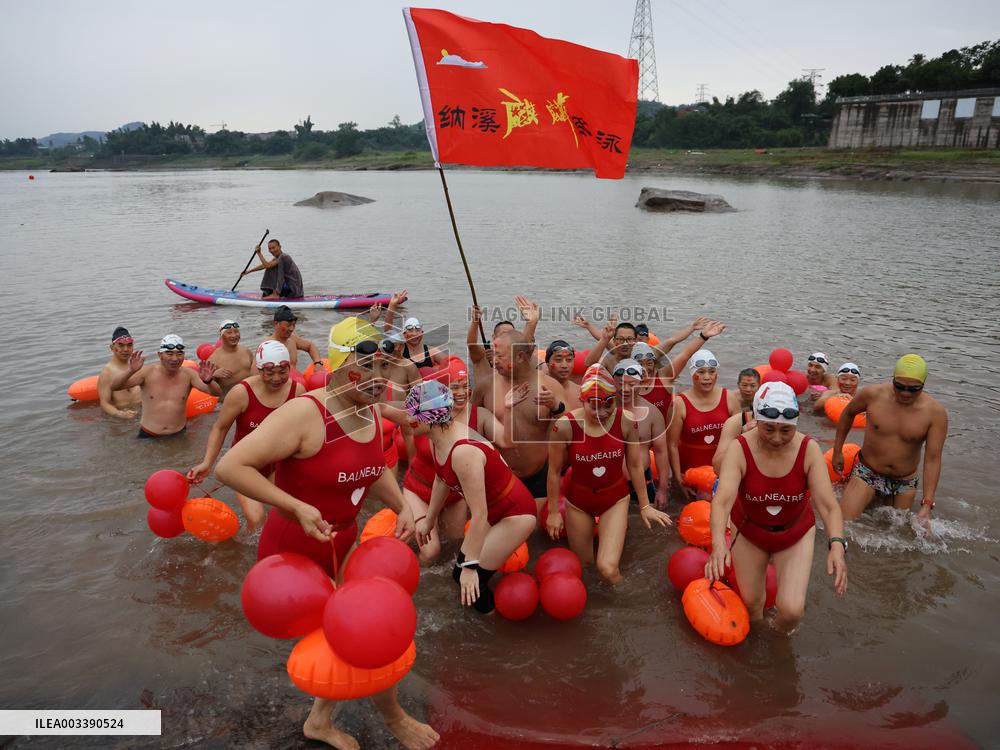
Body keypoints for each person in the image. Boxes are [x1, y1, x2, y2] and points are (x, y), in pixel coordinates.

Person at [216, 318, 436, 750]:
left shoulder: (367, 407)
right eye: (366, 365)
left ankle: (318, 720)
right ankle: (392, 717)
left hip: (341, 540)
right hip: (294, 552)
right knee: (354, 636)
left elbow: (369, 470)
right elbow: (231, 467)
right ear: (340, 366)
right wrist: (294, 505)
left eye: (382, 365)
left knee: (355, 630)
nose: (377, 377)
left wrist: (402, 504)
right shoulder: (304, 413)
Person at [707, 382, 848, 633]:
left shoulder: (809, 449)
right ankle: (759, 651)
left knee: (792, 611)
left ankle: (778, 640)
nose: (776, 438)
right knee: (752, 605)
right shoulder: (740, 447)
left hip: (795, 533)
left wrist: (837, 544)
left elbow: (828, 505)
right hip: (749, 530)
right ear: (756, 420)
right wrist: (719, 543)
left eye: (786, 430)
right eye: (768, 428)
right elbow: (723, 500)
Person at [411, 380, 536, 614]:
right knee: (461, 573)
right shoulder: (439, 435)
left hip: (515, 513)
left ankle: (492, 622)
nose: (408, 421)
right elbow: (441, 478)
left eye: (412, 414)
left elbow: (479, 515)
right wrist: (429, 518)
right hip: (496, 507)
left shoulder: (462, 452)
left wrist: (470, 566)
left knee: (464, 575)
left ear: (427, 419)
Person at [545, 365, 671, 583]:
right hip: (578, 502)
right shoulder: (564, 426)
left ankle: (625, 604)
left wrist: (644, 506)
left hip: (615, 498)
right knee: (584, 567)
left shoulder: (626, 420)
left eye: (609, 404)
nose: (602, 412)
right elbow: (554, 472)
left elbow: (634, 465)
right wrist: (554, 511)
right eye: (594, 405)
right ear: (582, 400)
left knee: (608, 568)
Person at [404, 360, 512, 563]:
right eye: (455, 387)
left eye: (465, 386)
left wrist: (509, 409)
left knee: (455, 546)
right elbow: (383, 412)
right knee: (431, 551)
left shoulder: (478, 416)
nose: (461, 392)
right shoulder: (422, 414)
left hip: (453, 494)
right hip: (419, 489)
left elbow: (507, 441)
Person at [187, 341, 300, 530]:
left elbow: (302, 432)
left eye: (283, 371)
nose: (276, 378)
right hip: (244, 466)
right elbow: (220, 428)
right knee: (256, 519)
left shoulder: (297, 391)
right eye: (269, 373)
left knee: (284, 516)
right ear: (259, 368)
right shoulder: (242, 393)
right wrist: (208, 462)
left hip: (278, 465)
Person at [832, 354, 947, 524]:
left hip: (904, 481)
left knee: (897, 533)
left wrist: (927, 504)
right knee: (844, 524)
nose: (905, 393)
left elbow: (932, 459)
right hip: (868, 472)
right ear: (892, 379)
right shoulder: (873, 395)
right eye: (899, 386)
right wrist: (837, 451)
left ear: (923, 384)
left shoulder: (935, 413)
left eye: (913, 389)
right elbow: (848, 414)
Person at [475, 330, 566, 505]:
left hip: (538, 475)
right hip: (499, 477)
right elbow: (469, 426)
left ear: (520, 357)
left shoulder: (549, 386)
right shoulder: (485, 386)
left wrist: (555, 407)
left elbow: (570, 429)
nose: (494, 361)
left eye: (500, 356)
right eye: (494, 355)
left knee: (536, 530)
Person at [111, 335, 221, 438]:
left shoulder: (189, 375)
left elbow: (216, 393)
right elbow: (115, 386)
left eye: (179, 354)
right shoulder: (147, 373)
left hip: (179, 434)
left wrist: (209, 381)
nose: (174, 358)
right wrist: (131, 370)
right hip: (149, 435)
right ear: (160, 355)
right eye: (169, 353)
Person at [668, 349, 741, 496]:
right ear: (692, 374)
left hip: (721, 469)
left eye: (711, 371)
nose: (707, 377)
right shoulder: (679, 403)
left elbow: (741, 439)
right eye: (700, 372)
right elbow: (672, 444)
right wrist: (677, 476)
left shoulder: (730, 398)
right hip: (689, 471)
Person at [612, 359, 671, 509]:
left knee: (647, 527)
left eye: (631, 385)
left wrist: (663, 489)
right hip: (608, 482)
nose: (625, 389)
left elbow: (661, 451)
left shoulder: (652, 412)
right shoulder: (602, 410)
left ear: (641, 383)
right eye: (620, 383)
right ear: (613, 382)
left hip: (642, 481)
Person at [97, 326, 141, 418]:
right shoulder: (107, 373)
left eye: (129, 345)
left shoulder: (136, 367)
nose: (125, 349)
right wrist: (120, 414)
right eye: (121, 345)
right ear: (112, 347)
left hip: (140, 414)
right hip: (121, 419)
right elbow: (105, 404)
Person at [207, 320, 254, 395]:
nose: (234, 335)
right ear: (221, 335)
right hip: (228, 398)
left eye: (236, 331)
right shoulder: (214, 359)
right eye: (229, 332)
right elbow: (210, 390)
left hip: (250, 393)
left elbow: (257, 372)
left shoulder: (246, 351)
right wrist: (213, 376)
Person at [270, 305, 320, 370]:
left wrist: (318, 362)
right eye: (288, 325)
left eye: (293, 325)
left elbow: (310, 346)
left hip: (295, 378)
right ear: (276, 324)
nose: (291, 329)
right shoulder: (268, 345)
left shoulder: (292, 339)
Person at [543, 340, 581, 408]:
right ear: (548, 364)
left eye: (569, 360)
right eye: (558, 360)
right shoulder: (540, 391)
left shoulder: (580, 392)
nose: (564, 365)